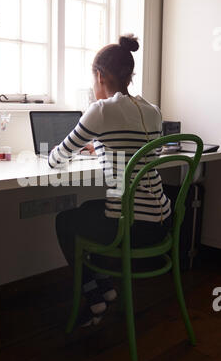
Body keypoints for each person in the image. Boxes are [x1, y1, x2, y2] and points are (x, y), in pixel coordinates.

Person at [48, 35, 172, 327]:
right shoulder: (152, 111)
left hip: (132, 226)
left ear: (100, 76)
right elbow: (137, 150)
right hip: (162, 221)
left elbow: (57, 158)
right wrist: (99, 145)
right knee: (92, 207)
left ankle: (94, 295)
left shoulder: (101, 110)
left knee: (66, 220)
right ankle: (105, 285)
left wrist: (78, 146)